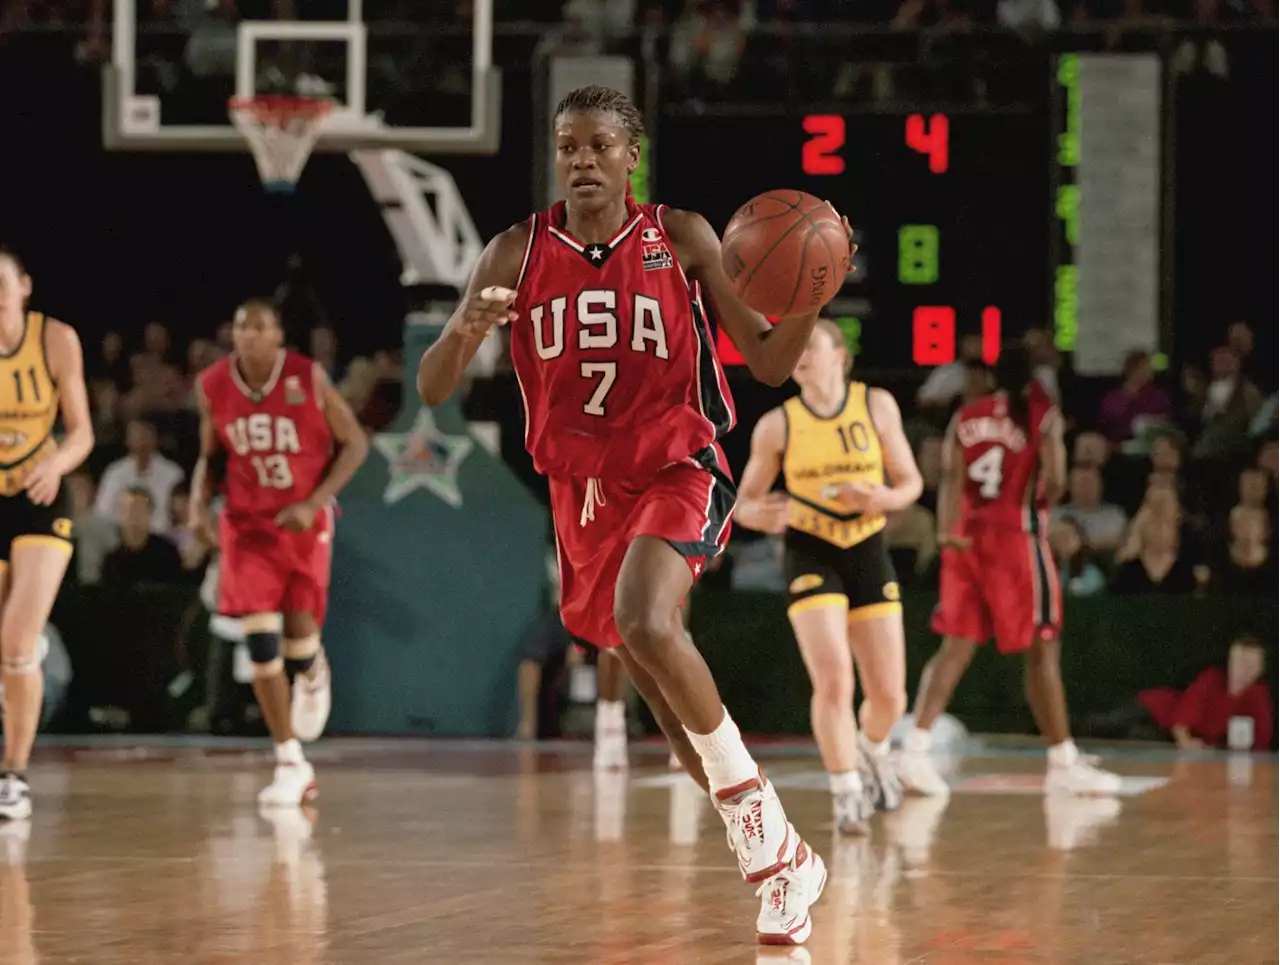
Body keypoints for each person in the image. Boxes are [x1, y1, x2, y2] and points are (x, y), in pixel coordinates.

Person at [417, 85, 853, 946]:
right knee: (677, 723)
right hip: (581, 495)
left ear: (630, 157)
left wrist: (810, 292)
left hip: (678, 462)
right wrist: (467, 327)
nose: (582, 159)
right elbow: (432, 389)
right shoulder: (514, 250)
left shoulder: (682, 235)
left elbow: (765, 361)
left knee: (645, 617)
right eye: (567, 145)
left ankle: (764, 840)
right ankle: (785, 856)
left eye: (598, 145)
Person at [897, 344, 1122, 798]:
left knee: (953, 649)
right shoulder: (1042, 414)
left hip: (965, 540)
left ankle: (914, 751)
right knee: (1043, 651)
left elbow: (951, 480)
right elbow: (1055, 482)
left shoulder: (967, 415)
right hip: (1016, 541)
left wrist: (947, 533)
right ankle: (1063, 760)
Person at [735, 320, 923, 835]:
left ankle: (873, 750)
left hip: (866, 545)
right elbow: (743, 504)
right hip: (809, 550)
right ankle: (845, 794)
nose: (800, 355)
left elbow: (910, 482)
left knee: (889, 696)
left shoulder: (875, 404)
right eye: (793, 348)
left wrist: (883, 497)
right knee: (834, 680)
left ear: (840, 356)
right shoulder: (778, 423)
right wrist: (760, 515)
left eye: (810, 345)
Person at [189, 300, 368, 807]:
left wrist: (314, 501)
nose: (249, 335)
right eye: (242, 326)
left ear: (278, 336)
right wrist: (198, 503)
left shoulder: (307, 378)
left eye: (259, 327)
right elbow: (210, 454)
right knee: (260, 644)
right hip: (247, 527)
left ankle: (313, 672)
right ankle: (290, 760)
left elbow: (355, 444)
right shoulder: (214, 386)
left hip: (304, 524)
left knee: (297, 639)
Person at [0, 246, 94, 821]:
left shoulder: (55, 339)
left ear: (24, 286)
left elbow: (82, 432)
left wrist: (55, 464)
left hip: (39, 495)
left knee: (16, 642)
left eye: (1, 286)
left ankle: (14, 775)